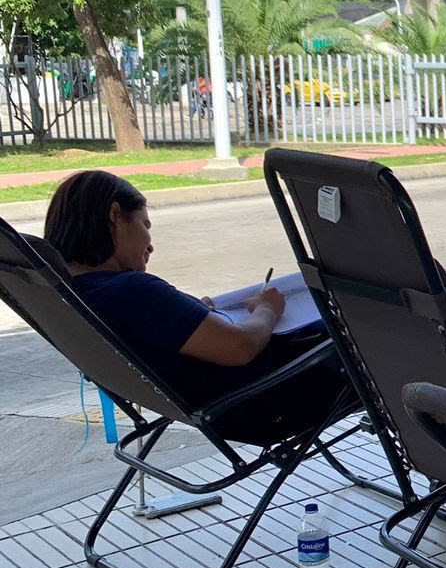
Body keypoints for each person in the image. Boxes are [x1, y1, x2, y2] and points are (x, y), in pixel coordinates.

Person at [42, 170, 322, 408]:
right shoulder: (130, 291)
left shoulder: (72, 292)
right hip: (263, 398)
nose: (150, 245)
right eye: (144, 225)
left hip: (202, 399)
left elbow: (161, 324)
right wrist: (266, 309)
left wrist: (190, 313)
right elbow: (241, 347)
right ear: (115, 215)